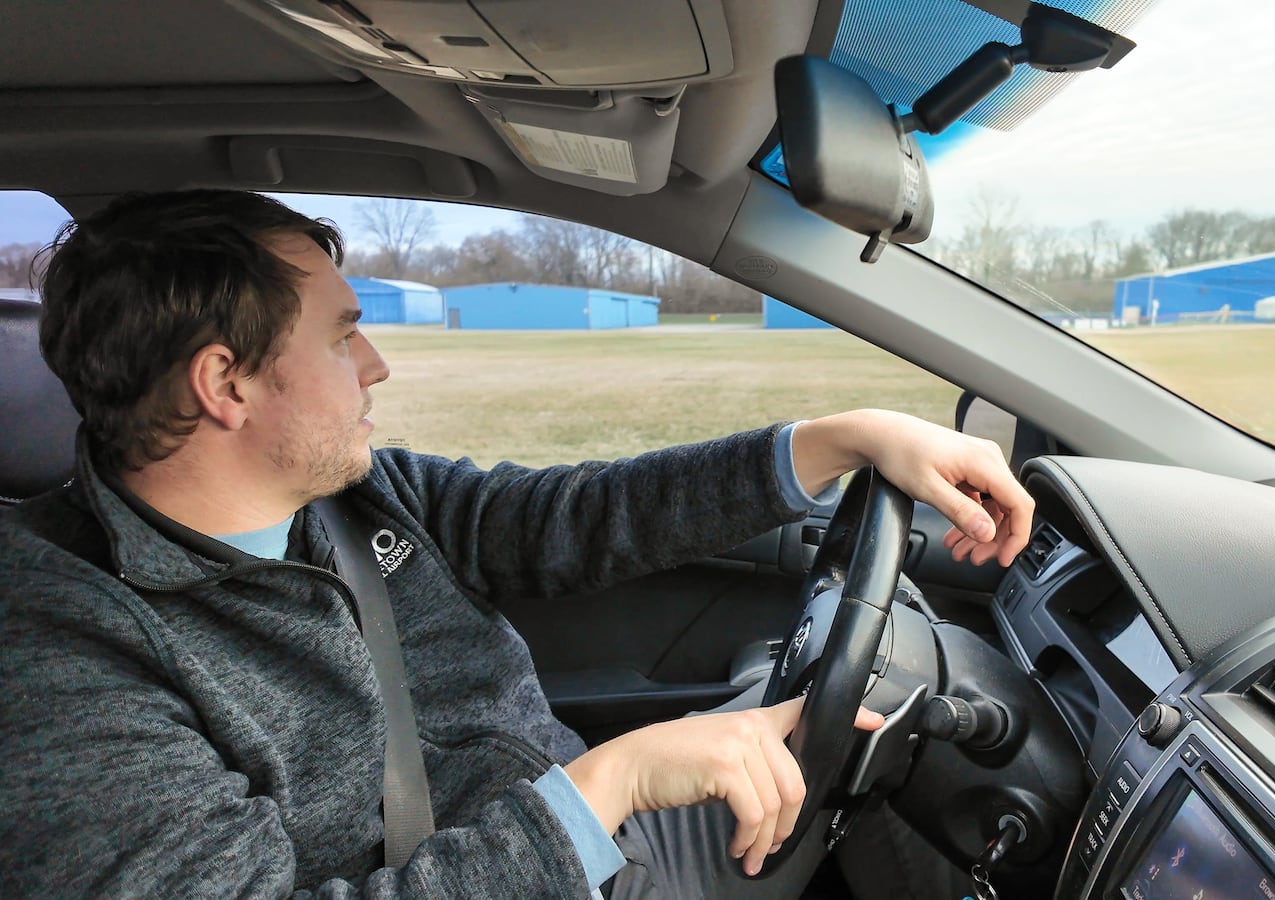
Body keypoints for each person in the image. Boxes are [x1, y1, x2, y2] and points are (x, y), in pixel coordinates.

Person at [0, 190, 1033, 898]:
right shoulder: (64, 656)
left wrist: (840, 438)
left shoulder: (363, 499)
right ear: (224, 384)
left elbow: (577, 518)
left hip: (583, 840)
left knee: (893, 732)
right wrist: (608, 788)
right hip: (563, 846)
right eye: (341, 333)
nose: (376, 366)